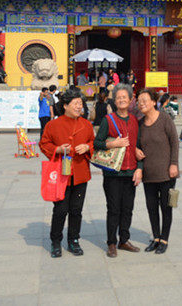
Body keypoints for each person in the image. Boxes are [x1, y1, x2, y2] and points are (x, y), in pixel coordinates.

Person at [39, 89, 94, 258]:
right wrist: (58, 149)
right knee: (60, 210)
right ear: (65, 106)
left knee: (76, 210)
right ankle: (56, 241)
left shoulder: (86, 124)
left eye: (80, 104)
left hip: (80, 172)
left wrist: (87, 147)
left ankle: (73, 240)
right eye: (76, 103)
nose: (79, 107)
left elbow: (93, 142)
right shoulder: (53, 125)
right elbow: (44, 143)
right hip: (61, 173)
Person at [93, 84, 143, 258]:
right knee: (113, 208)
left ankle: (124, 239)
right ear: (114, 101)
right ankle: (112, 243)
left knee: (128, 208)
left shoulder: (135, 121)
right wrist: (113, 144)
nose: (121, 100)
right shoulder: (109, 120)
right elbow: (96, 143)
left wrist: (140, 169)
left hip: (131, 173)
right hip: (113, 173)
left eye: (124, 97)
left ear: (130, 100)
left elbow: (139, 147)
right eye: (118, 97)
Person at [136, 88, 179, 254]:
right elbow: (137, 145)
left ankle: (164, 239)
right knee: (151, 207)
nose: (141, 104)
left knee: (166, 207)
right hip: (149, 174)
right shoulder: (140, 124)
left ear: (154, 102)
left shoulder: (165, 119)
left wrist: (174, 164)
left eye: (145, 100)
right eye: (139, 101)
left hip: (167, 172)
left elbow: (174, 142)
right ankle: (155, 237)